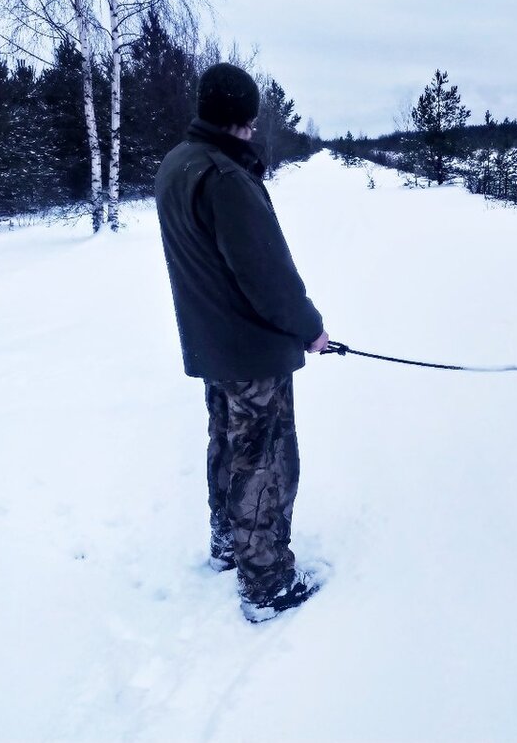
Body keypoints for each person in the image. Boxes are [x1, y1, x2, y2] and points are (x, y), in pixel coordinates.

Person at [155, 62, 330, 623]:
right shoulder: (225, 177)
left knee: (227, 445)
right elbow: (266, 275)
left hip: (215, 346)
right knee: (264, 460)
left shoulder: (177, 165)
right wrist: (309, 328)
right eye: (251, 123)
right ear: (238, 121)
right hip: (250, 350)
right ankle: (266, 581)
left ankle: (228, 543)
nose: (254, 132)